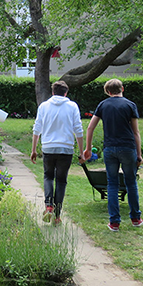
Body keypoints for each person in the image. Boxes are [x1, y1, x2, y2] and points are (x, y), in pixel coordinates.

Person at [83, 79, 143, 232]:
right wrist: (139, 154)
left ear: (108, 92)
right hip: (128, 148)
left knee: (112, 184)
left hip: (109, 149)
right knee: (131, 183)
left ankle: (114, 222)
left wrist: (88, 148)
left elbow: (90, 127)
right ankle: (136, 218)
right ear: (122, 88)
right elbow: (135, 132)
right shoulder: (130, 105)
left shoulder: (103, 105)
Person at [30, 81, 84, 226]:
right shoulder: (72, 106)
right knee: (61, 181)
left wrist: (34, 149)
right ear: (66, 93)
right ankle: (57, 216)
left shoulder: (44, 106)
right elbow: (78, 129)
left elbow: (37, 128)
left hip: (48, 147)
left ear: (52, 92)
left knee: (48, 176)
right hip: (66, 149)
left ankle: (48, 205)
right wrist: (81, 152)